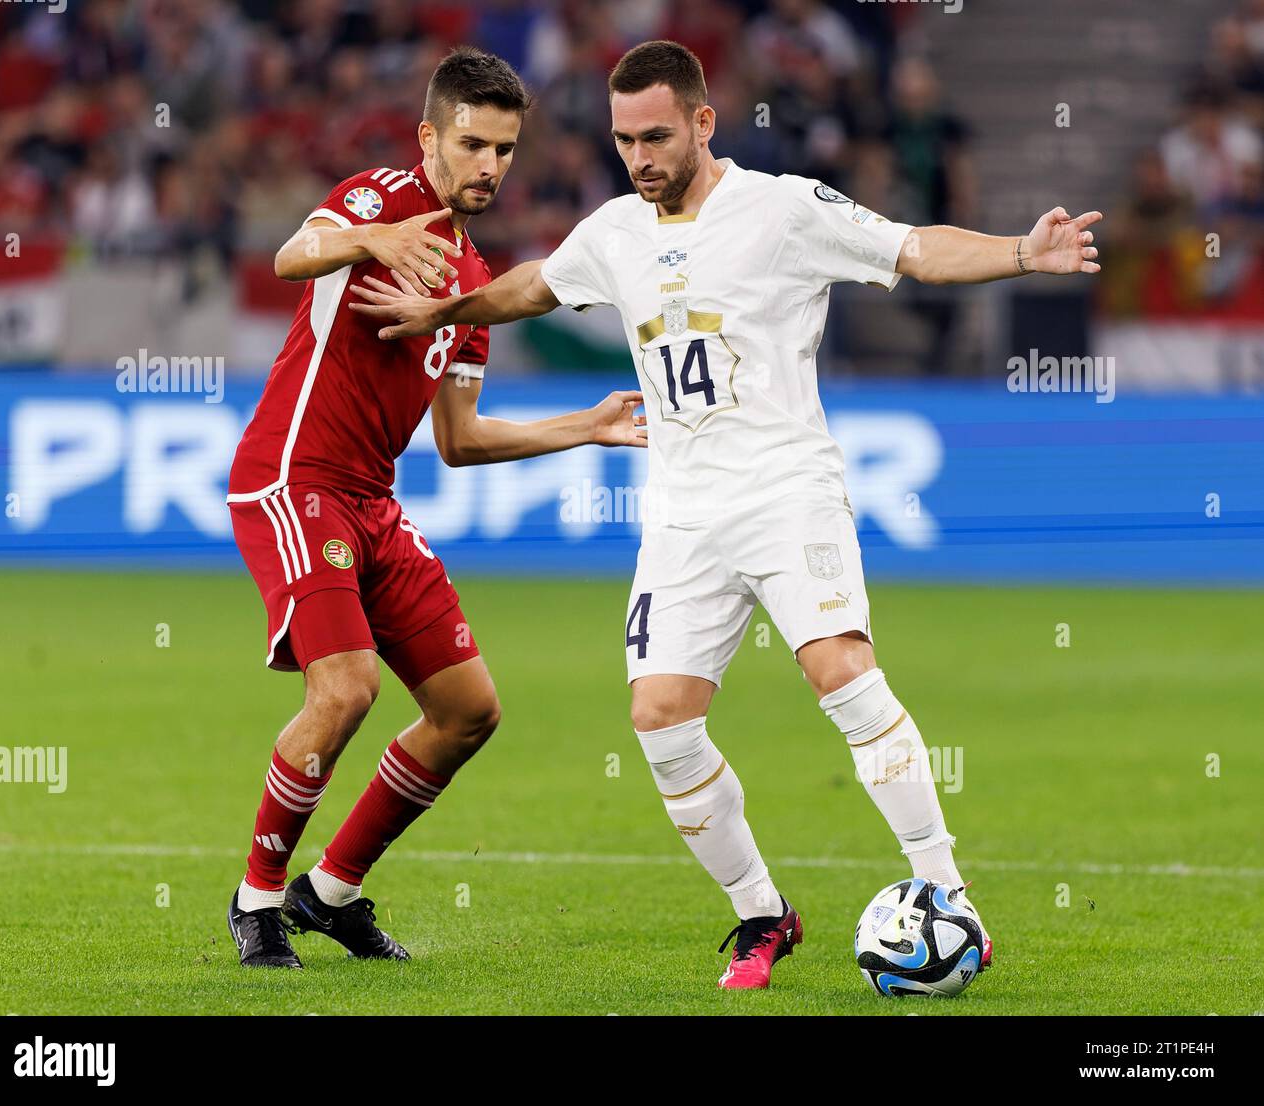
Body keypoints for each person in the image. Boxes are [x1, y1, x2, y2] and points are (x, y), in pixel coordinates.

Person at [352, 40, 1102, 990]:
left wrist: (1021, 254)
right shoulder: (617, 229)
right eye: (624, 140)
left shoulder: (782, 207)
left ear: (704, 123)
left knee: (843, 675)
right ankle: (762, 915)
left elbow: (910, 249)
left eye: (657, 135)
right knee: (660, 718)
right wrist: (446, 310)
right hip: (681, 513)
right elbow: (535, 285)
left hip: (787, 491)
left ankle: (948, 896)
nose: (640, 157)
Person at [224, 46, 646, 969]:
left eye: (504, 148)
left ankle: (329, 892)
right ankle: (255, 900)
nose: (489, 164)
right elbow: (294, 253)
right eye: (471, 144)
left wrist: (586, 424)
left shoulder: (471, 285)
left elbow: (458, 440)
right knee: (347, 688)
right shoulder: (377, 198)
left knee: (469, 711)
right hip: (295, 480)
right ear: (429, 138)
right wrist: (367, 239)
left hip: (372, 503)